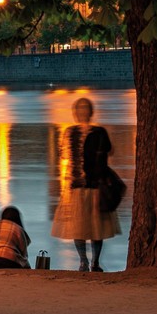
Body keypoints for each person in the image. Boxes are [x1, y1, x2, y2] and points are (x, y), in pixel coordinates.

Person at [50, 96, 121, 271]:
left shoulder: (69, 132)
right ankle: (93, 262)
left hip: (78, 185)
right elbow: (110, 151)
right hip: (92, 185)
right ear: (91, 113)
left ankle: (84, 261)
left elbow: (63, 155)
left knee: (79, 226)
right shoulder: (99, 132)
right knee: (95, 227)